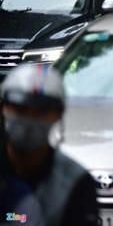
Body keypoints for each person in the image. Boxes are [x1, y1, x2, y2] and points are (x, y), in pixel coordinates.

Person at [1, 64, 98, 226]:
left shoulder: (75, 182)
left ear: (59, 115)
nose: (29, 121)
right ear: (4, 108)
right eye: (20, 109)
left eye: (41, 112)